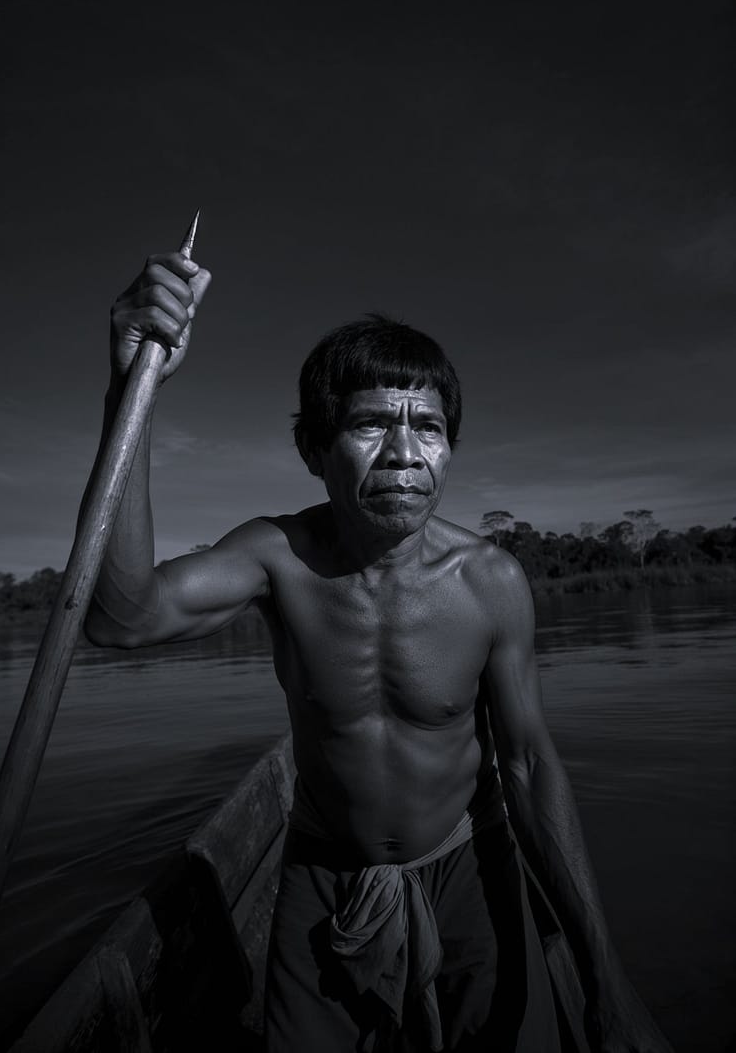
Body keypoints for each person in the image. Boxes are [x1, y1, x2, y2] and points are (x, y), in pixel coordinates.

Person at [84, 247, 674, 1053]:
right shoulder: (277, 556)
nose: (404, 455)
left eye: (427, 427)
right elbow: (120, 617)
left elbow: (530, 766)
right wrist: (133, 390)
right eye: (369, 423)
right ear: (314, 450)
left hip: (470, 864)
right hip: (324, 875)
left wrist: (603, 972)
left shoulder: (489, 580)